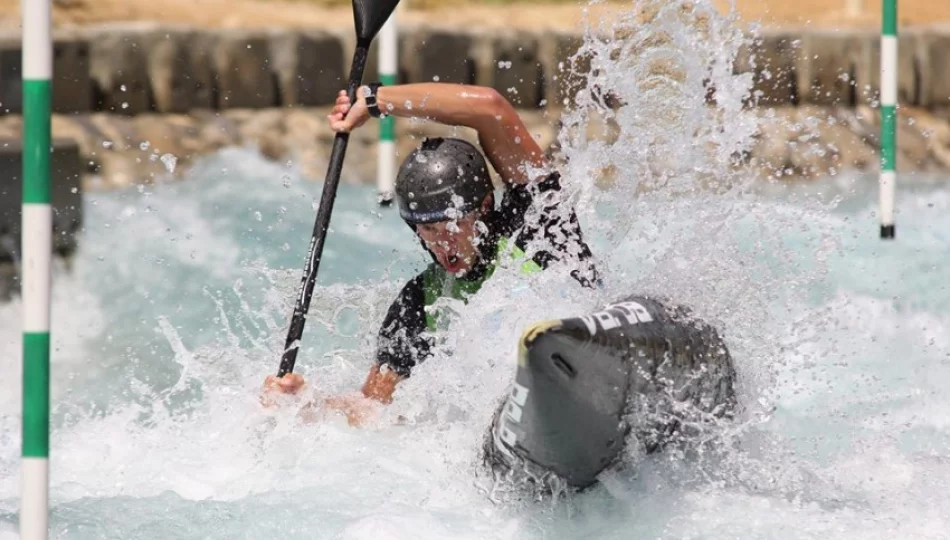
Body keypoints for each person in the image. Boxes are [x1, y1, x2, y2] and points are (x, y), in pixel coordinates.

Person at [261, 82, 598, 425]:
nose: (442, 241)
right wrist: (305, 405)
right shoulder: (419, 302)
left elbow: (490, 109)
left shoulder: (537, 225)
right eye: (429, 229)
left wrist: (376, 100)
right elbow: (372, 407)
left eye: (452, 224)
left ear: (483, 207)